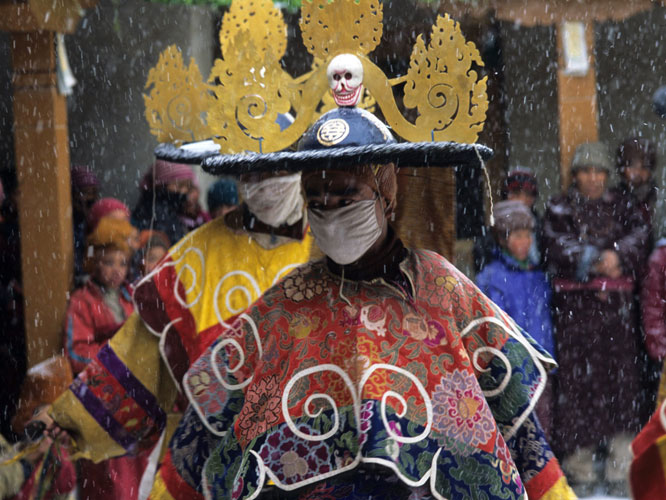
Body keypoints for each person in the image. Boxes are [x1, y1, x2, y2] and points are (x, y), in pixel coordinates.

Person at [153, 106, 573, 499]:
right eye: (315, 200)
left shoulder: (441, 288)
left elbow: (519, 431)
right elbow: (203, 435)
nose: (328, 210)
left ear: (385, 191)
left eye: (344, 195)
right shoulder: (285, 303)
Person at [542, 141, 649, 496]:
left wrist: (616, 256)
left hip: (617, 316)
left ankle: (623, 462)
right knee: (578, 388)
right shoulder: (560, 207)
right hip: (577, 316)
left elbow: (640, 235)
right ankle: (581, 466)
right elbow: (556, 243)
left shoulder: (624, 205)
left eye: (599, 171)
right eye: (586, 171)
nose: (593, 178)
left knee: (622, 387)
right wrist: (590, 259)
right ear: (575, 176)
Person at [63, 216, 148, 500]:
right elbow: (76, 351)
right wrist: (112, 357)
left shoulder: (131, 296)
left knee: (134, 466)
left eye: (122, 263)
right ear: (94, 262)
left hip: (132, 394)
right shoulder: (82, 300)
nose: (117, 270)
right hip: (100, 394)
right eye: (109, 262)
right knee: (108, 473)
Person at [476, 200, 555, 440]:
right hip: (511, 362)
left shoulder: (537, 275)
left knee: (542, 420)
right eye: (517, 236)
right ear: (502, 239)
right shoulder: (492, 277)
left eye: (528, 235)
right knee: (514, 423)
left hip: (539, 360)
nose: (525, 242)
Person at [474, 167, 542, 273]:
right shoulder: (494, 226)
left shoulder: (540, 225)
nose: (522, 200)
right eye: (516, 193)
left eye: (528, 194)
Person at [132, 160, 196, 244]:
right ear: (161, 186)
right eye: (179, 186)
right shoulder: (154, 214)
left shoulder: (177, 212)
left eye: (188, 186)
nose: (184, 191)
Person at [70, 165, 100, 281]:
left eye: (93, 192)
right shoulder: (68, 223)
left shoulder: (94, 220)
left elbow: (91, 249)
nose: (90, 197)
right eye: (85, 192)